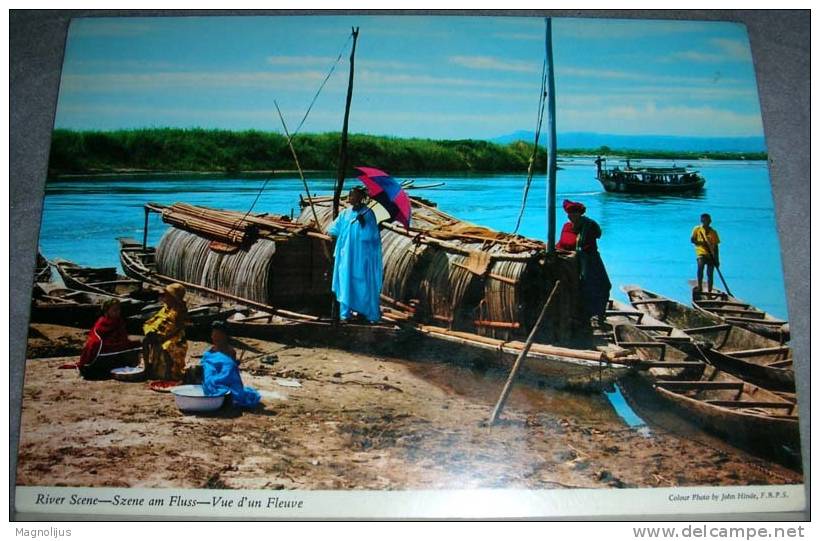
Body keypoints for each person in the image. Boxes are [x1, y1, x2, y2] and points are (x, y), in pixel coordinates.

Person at [327, 186, 384, 323]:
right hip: (346, 255)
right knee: (346, 280)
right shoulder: (345, 213)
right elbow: (333, 229)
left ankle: (365, 313)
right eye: (350, 195)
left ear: (360, 197)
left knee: (362, 281)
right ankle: (345, 314)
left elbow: (372, 236)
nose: (350, 197)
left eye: (353, 195)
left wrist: (363, 223)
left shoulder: (368, 214)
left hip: (362, 255)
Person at [556, 199, 612, 325]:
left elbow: (598, 235)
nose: (572, 215)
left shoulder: (589, 225)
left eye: (575, 212)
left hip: (590, 260)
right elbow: (562, 243)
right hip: (570, 261)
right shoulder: (566, 226)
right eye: (570, 213)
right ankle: (581, 316)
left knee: (602, 286)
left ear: (580, 213)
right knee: (577, 288)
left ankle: (599, 315)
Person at [200, 321, 260, 409]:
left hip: (228, 382)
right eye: (213, 335)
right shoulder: (209, 352)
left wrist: (234, 364)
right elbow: (206, 367)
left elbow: (230, 371)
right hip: (213, 379)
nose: (214, 337)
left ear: (224, 336)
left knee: (230, 368)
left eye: (218, 335)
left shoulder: (230, 351)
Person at [77, 298, 141, 380]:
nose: (118, 312)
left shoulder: (119, 322)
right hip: (105, 350)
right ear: (106, 311)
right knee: (96, 345)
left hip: (115, 349)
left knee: (138, 344)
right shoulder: (102, 323)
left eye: (119, 309)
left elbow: (123, 338)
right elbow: (95, 339)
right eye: (114, 310)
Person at [142, 283, 188, 382]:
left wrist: (164, 337)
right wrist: (151, 330)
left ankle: (168, 373)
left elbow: (178, 328)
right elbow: (156, 320)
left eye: (167, 295)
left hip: (175, 336)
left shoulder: (180, 310)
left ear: (174, 298)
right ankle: (147, 367)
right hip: (161, 333)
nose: (165, 297)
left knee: (166, 346)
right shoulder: (166, 307)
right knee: (145, 341)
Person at [691, 213, 720, 292]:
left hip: (711, 254)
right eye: (704, 220)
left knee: (710, 273)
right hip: (701, 253)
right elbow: (692, 240)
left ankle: (710, 291)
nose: (707, 222)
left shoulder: (714, 232)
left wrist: (717, 259)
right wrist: (702, 243)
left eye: (708, 220)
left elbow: (716, 247)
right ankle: (700, 287)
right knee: (700, 267)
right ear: (702, 221)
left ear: (710, 221)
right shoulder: (697, 229)